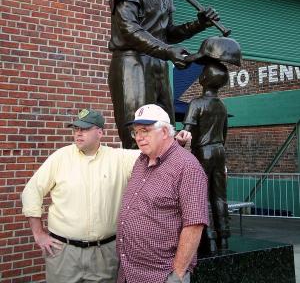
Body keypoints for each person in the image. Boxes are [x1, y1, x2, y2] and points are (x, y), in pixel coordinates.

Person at [21, 108, 191, 283]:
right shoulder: (60, 158)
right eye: (75, 129)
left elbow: (154, 153)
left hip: (105, 255)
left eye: (85, 129)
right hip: (64, 253)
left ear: (100, 132)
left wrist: (175, 142)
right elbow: (31, 191)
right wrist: (38, 233)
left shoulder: (118, 158)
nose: (78, 133)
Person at [108, 0, 219, 148]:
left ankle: (164, 184)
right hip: (132, 63)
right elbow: (128, 29)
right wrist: (168, 51)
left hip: (158, 64)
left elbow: (166, 33)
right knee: (138, 136)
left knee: (165, 134)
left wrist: (197, 24)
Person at [116, 104, 208, 283]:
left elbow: (194, 225)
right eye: (136, 132)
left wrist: (177, 276)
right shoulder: (141, 161)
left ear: (165, 132)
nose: (139, 137)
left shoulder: (187, 167)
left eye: (145, 130)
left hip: (160, 276)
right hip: (129, 271)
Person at [183, 60, 230, 254]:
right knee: (219, 196)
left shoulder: (196, 103)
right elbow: (225, 133)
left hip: (203, 151)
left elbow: (187, 131)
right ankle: (224, 237)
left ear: (203, 79)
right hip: (220, 151)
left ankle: (208, 237)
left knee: (201, 195)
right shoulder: (222, 106)